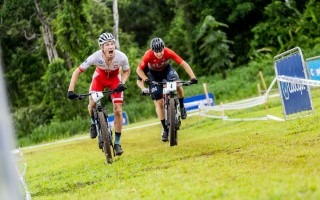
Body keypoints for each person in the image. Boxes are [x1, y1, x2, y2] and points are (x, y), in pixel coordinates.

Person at [67, 32, 130, 156]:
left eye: (112, 43)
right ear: (102, 47)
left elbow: (127, 71)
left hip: (114, 80)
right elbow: (77, 72)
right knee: (91, 104)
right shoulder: (95, 57)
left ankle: (117, 143)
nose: (111, 47)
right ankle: (93, 122)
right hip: (99, 80)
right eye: (107, 44)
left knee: (118, 110)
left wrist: (122, 82)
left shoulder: (121, 57)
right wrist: (70, 91)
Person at [136, 37, 198, 142]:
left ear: (164, 48)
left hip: (166, 70)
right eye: (156, 52)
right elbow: (138, 70)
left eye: (161, 51)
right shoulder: (148, 55)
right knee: (159, 102)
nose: (159, 54)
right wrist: (146, 80)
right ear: (152, 50)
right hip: (154, 75)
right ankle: (165, 129)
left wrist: (193, 77)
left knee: (178, 84)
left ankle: (182, 106)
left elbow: (183, 63)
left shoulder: (168, 52)